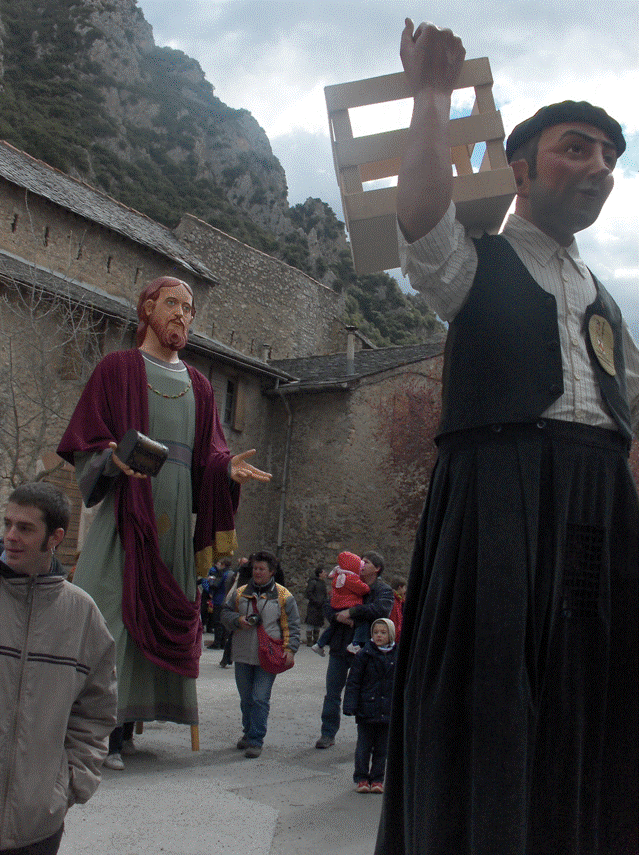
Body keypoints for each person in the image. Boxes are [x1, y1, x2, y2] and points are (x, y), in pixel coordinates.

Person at [375, 20, 639, 855]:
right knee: (491, 686)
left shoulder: (606, 298)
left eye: (608, 156)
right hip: (499, 484)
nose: (597, 166)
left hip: (598, 495)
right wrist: (430, 95)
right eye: (576, 148)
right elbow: (418, 212)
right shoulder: (476, 260)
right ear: (520, 167)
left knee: (589, 687)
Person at [57, 276, 271, 770]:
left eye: (189, 308)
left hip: (174, 520)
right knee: (110, 614)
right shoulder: (117, 368)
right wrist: (110, 461)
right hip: (128, 510)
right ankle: (96, 732)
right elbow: (90, 442)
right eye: (172, 303)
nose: (182, 314)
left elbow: (210, 456)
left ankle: (128, 727)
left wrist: (226, 471)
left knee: (149, 626)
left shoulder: (199, 384)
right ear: (148, 309)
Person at [0, 482, 117, 855]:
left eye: (25, 528)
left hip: (38, 825)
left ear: (56, 537)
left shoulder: (83, 615)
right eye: (8, 524)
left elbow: (97, 712)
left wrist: (68, 786)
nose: (11, 537)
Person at [221, 550, 300, 757]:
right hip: (242, 653)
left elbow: (292, 625)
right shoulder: (239, 593)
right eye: (255, 568)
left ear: (271, 572)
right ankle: (248, 733)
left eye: (262, 569)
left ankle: (256, 740)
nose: (257, 572)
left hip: (269, 654)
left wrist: (290, 649)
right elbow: (225, 614)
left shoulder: (284, 596)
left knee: (259, 698)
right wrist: (238, 621)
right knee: (246, 698)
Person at [315, 551, 392, 749]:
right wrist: (338, 616)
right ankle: (327, 733)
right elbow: (328, 604)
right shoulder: (346, 580)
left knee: (367, 694)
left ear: (377, 568)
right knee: (332, 692)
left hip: (367, 649)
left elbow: (381, 610)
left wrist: (353, 612)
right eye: (361, 561)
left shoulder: (382, 590)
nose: (362, 564)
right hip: (341, 646)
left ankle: (366, 738)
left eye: (366, 562)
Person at [343, 618, 398, 794]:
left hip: (387, 708)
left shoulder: (397, 655)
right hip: (367, 707)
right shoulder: (364, 654)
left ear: (390, 634)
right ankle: (361, 777)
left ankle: (377, 779)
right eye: (376, 632)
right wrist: (350, 705)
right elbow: (354, 681)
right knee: (364, 747)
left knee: (382, 748)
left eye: (383, 632)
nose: (379, 636)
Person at [311, 551, 371, 656]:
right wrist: (366, 586)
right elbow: (363, 589)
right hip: (349, 604)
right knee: (361, 623)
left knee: (333, 626)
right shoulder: (351, 578)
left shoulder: (339, 576)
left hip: (337, 605)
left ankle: (320, 644)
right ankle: (355, 643)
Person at [304, 565, 327, 646]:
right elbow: (309, 593)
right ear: (320, 574)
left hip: (320, 607)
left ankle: (316, 640)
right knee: (311, 624)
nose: (325, 574)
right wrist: (316, 601)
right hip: (313, 606)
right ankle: (309, 641)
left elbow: (324, 595)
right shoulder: (313, 582)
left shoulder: (323, 583)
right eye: (324, 572)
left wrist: (324, 602)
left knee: (317, 624)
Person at [388, 577, 406, 644]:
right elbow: (396, 620)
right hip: (394, 637)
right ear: (400, 587)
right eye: (404, 588)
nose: (405, 590)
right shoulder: (394, 601)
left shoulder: (398, 600)